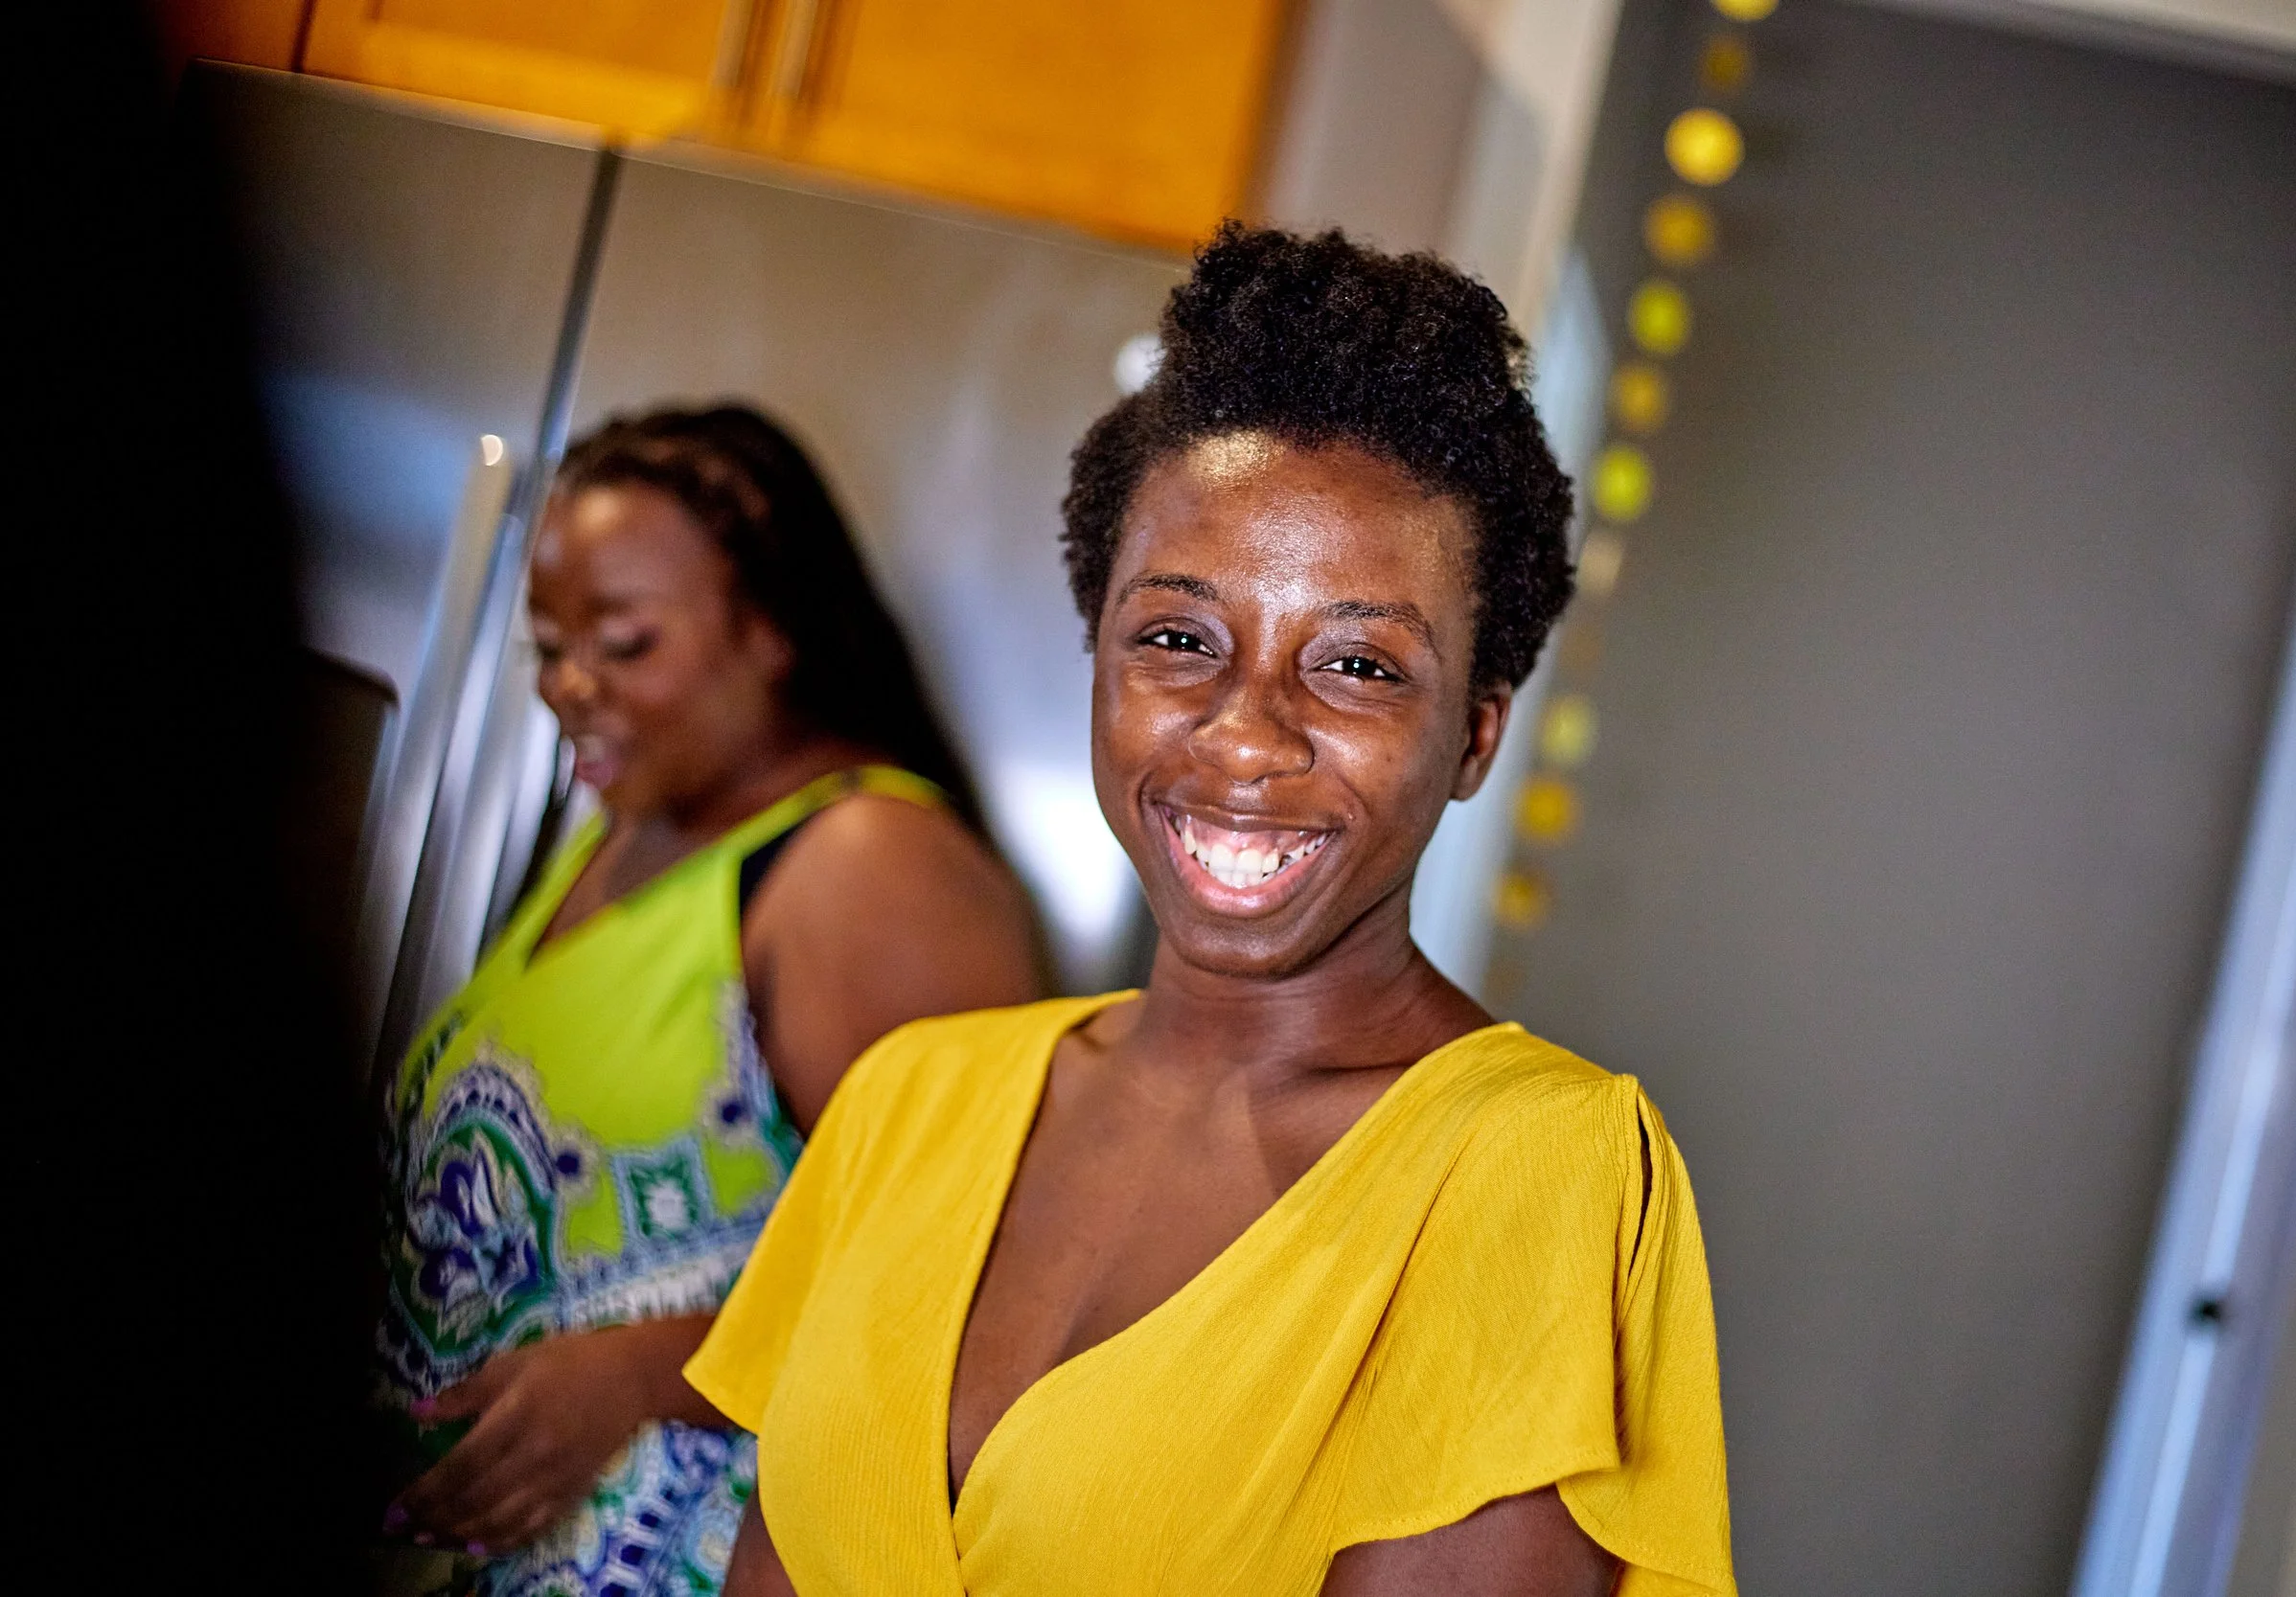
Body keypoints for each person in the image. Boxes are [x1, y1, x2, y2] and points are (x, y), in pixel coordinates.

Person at [691, 227, 1737, 1596]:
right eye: (1179, 638)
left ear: (1475, 737)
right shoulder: (913, 1098)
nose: (1246, 737)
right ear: (1100, 652)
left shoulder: (1535, 1171)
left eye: (1357, 663)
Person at [374, 405, 1046, 1595]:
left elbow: (969, 1299)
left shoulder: (864, 868)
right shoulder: (627, 830)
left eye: (626, 642)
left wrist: (639, 1372)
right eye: (548, 646)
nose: (572, 686)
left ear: (772, 631)